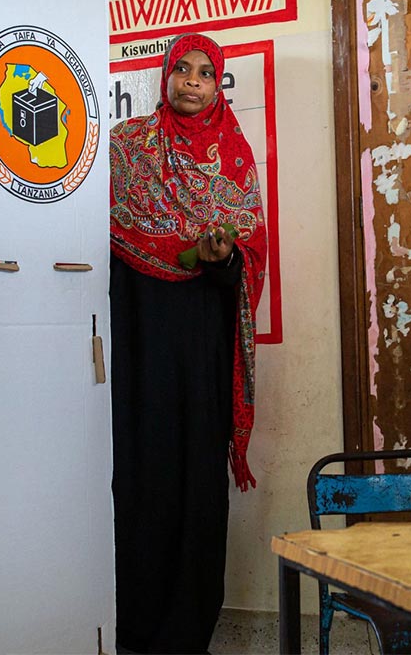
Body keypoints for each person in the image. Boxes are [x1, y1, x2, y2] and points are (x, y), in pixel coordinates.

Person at [109, 33, 268, 654]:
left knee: (197, 485)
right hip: (138, 344)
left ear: (218, 83)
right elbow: (91, 235)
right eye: (183, 70)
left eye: (206, 72)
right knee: (138, 478)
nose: (193, 82)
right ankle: (132, 625)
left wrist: (223, 256)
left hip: (200, 347)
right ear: (166, 76)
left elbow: (252, 255)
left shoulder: (233, 155)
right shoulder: (126, 148)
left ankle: (186, 632)